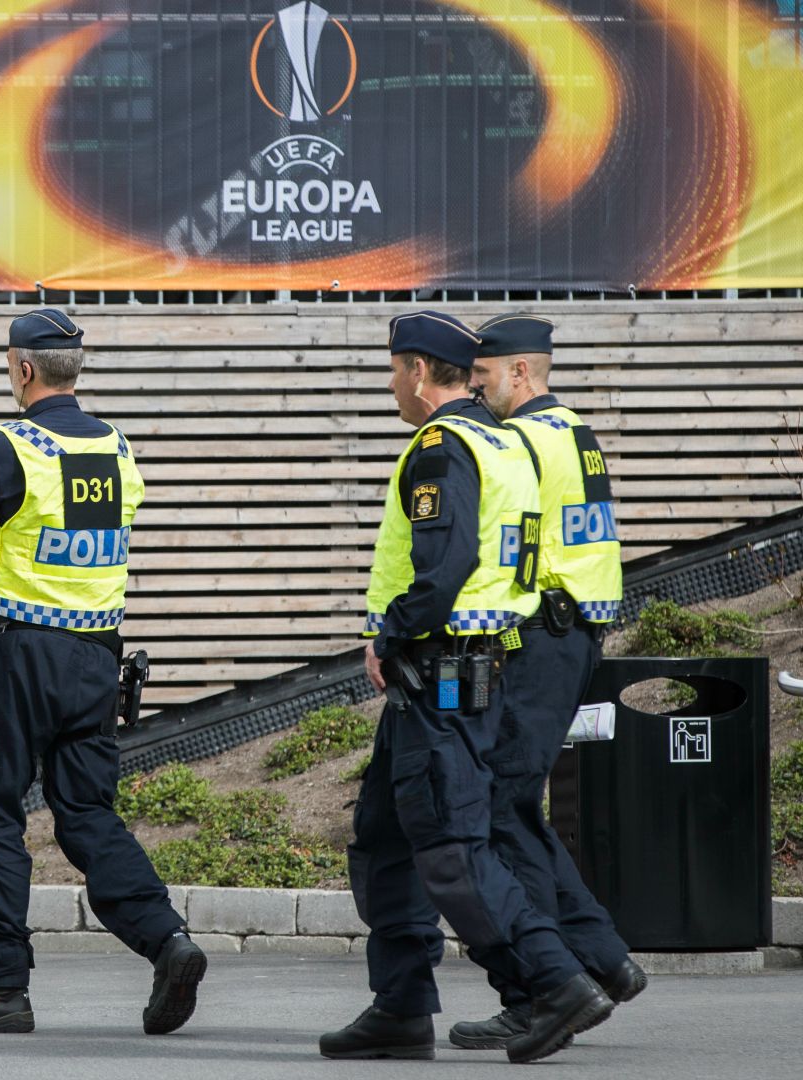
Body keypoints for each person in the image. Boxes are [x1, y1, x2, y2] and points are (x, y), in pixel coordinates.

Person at [318, 312, 613, 1065]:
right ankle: (402, 1004)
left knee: (450, 839)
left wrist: (392, 635)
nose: (390, 385)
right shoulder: (502, 441)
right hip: (478, 662)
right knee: (384, 834)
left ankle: (550, 981)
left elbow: (443, 569)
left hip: (437, 663)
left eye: (392, 371)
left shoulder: (442, 447)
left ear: (418, 371)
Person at [0, 309, 204, 1036]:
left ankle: (1, 990)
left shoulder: (4, 445)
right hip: (98, 659)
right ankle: (167, 940)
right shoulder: (118, 447)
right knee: (85, 815)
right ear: (75, 366)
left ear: (22, 369)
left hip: (20, 655)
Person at [452, 313, 645, 1048]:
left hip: (539, 637)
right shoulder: (575, 431)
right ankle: (601, 959)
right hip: (574, 634)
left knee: (500, 806)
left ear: (522, 373)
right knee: (515, 806)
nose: (481, 392)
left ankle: (547, 987)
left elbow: (502, 542)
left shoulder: (524, 442)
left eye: (487, 379)